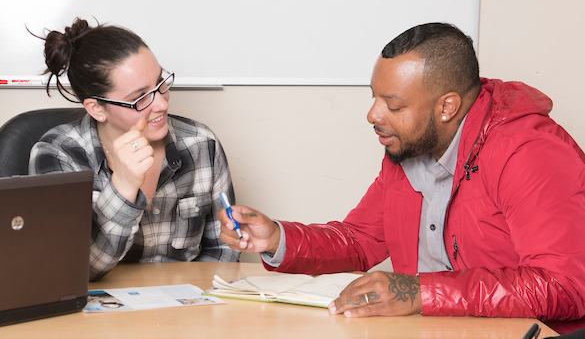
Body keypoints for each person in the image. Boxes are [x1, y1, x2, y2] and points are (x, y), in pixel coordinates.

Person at [217, 23, 585, 333]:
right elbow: (360, 241)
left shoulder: (530, 152)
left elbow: (567, 286)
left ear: (447, 106)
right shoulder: (407, 148)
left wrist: (420, 292)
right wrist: (278, 238)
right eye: (374, 97)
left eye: (393, 105)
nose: (373, 114)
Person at [29, 18, 240, 281]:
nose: (161, 103)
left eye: (160, 83)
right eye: (140, 98)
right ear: (96, 108)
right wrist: (124, 188)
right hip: (99, 312)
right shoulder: (59, 153)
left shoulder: (201, 143)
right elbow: (77, 269)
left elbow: (223, 250)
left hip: (187, 309)